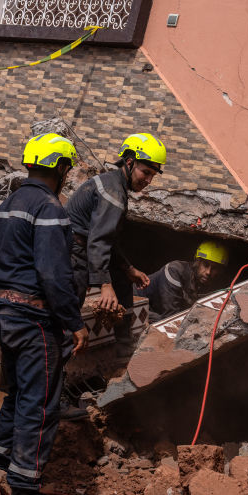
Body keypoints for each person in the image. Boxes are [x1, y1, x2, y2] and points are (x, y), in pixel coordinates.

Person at [0, 133, 89, 495]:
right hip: (34, 323)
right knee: (41, 405)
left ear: (30, 164)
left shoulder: (7, 205)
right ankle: (26, 490)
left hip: (5, 315)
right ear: (62, 168)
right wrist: (74, 323)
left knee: (18, 395)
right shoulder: (49, 207)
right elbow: (54, 274)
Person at [66, 133, 166, 352]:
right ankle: (64, 355)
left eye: (153, 175)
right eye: (146, 172)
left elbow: (108, 239)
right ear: (129, 162)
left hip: (82, 248)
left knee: (122, 278)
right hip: (72, 254)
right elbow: (98, 241)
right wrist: (104, 285)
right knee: (67, 317)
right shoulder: (114, 193)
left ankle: (124, 344)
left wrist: (128, 268)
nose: (148, 180)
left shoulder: (114, 185)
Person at [137, 240, 230, 322]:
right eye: (205, 265)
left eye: (214, 268)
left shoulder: (206, 284)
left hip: (157, 311)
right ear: (197, 262)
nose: (208, 272)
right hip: (134, 302)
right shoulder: (174, 271)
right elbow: (171, 316)